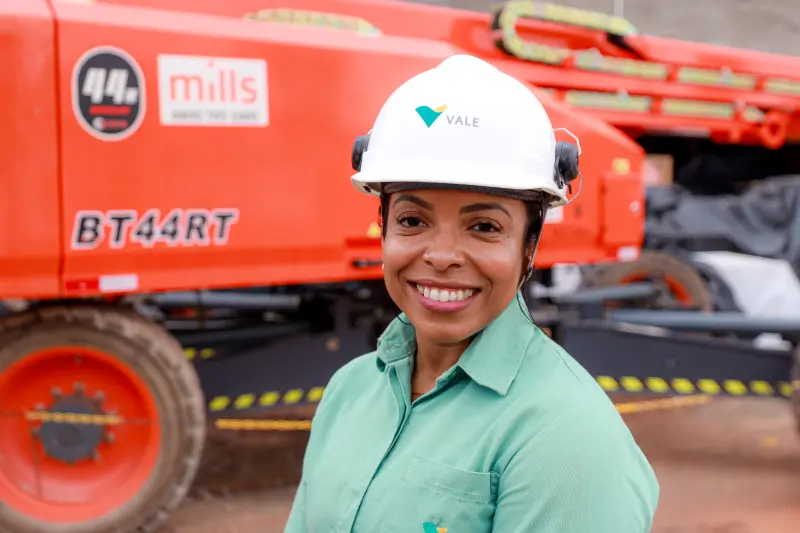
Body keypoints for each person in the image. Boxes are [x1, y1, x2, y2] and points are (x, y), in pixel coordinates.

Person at [284, 54, 659, 533]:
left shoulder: (567, 436)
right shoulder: (349, 392)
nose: (441, 256)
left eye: (484, 226)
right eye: (412, 221)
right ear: (382, 231)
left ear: (530, 247)